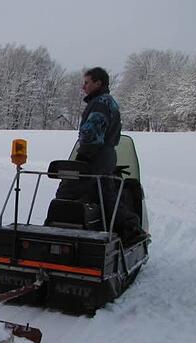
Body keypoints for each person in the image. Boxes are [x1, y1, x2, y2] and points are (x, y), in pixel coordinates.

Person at [55, 67, 145, 242]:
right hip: (106, 154)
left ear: (98, 83)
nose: (84, 87)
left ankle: (130, 228)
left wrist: (83, 156)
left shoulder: (99, 103)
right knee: (104, 195)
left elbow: (92, 133)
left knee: (70, 189)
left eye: (87, 82)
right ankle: (122, 227)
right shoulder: (109, 102)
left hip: (95, 156)